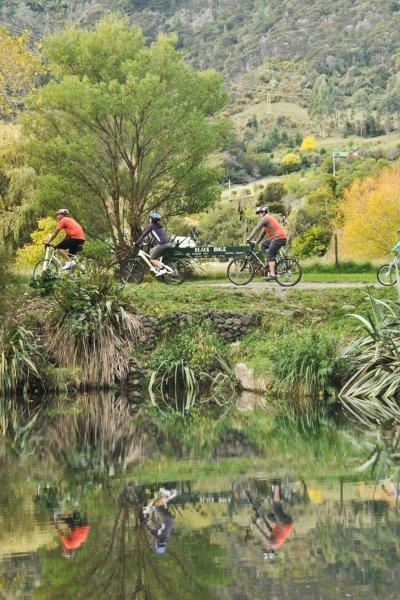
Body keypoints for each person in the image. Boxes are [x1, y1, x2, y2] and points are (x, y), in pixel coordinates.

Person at [246, 206, 288, 280]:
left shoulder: (266, 218)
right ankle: (272, 263)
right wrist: (257, 242)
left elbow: (256, 229)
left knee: (270, 254)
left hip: (278, 238)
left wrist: (249, 238)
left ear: (264, 212)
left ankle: (272, 274)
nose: (259, 215)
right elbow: (263, 233)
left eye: (259, 213)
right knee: (264, 245)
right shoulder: (268, 219)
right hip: (281, 238)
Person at [135, 212, 172, 277]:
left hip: (162, 244)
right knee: (151, 251)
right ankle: (159, 266)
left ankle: (161, 269)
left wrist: (137, 242)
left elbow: (144, 234)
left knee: (152, 259)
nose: (149, 220)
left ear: (151, 219)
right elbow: (157, 236)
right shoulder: (158, 226)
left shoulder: (152, 226)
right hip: (168, 244)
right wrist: (145, 242)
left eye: (150, 218)